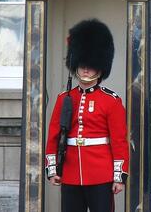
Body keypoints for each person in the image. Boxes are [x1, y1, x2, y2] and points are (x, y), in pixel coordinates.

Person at [45, 19, 129, 212]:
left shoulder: (111, 100)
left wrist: (119, 176)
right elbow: (53, 136)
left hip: (101, 173)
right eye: (82, 64)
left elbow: (119, 141)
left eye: (90, 65)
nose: (85, 68)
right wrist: (52, 170)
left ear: (100, 68)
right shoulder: (64, 98)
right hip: (71, 171)